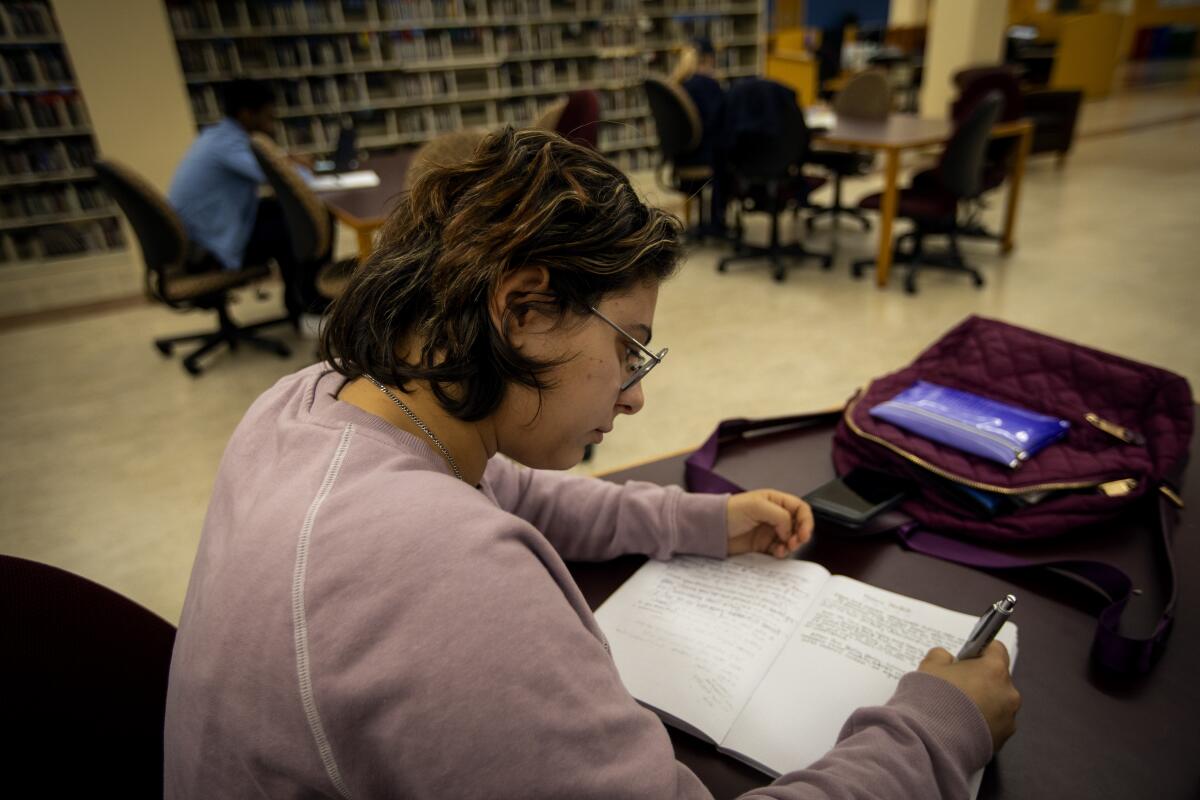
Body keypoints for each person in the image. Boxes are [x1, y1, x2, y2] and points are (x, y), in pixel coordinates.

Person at [164, 128, 1019, 798]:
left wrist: (701, 520)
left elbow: (509, 487)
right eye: (630, 351)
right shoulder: (446, 583)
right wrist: (940, 728)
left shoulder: (311, 400)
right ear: (524, 309)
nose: (635, 396)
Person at [167, 78, 320, 319]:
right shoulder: (228, 144)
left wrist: (286, 159)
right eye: (268, 118)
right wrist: (300, 168)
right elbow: (283, 177)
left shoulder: (221, 136)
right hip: (209, 251)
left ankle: (302, 300)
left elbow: (271, 164)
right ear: (247, 114)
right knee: (302, 225)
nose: (272, 127)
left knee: (284, 213)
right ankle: (307, 306)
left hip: (204, 235)